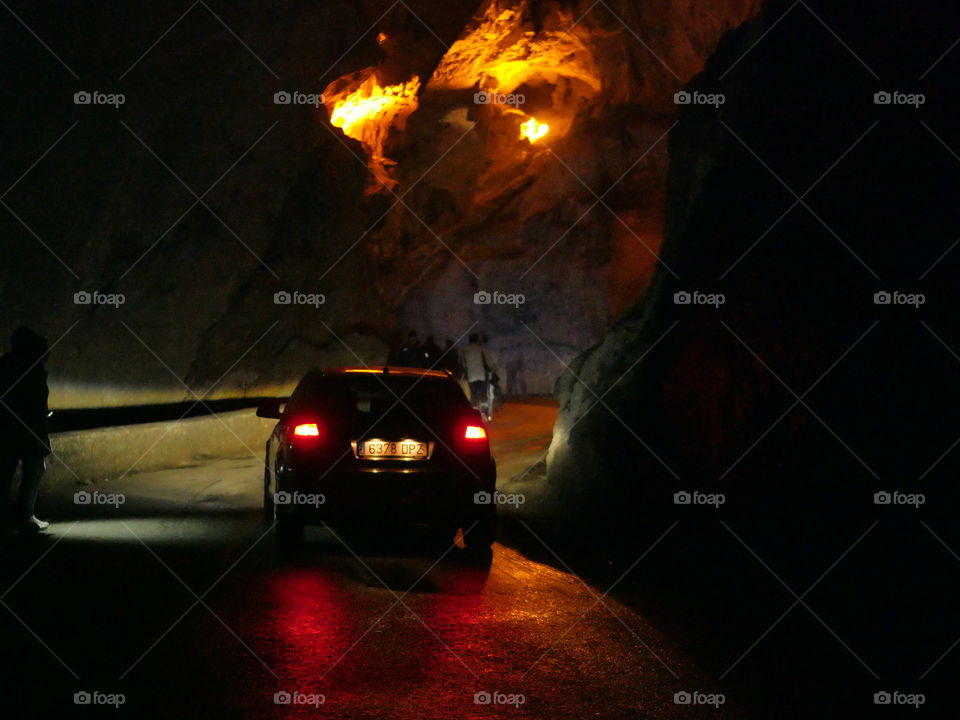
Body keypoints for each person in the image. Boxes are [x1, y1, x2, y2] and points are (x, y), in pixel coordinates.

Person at [0, 327, 52, 532]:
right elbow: (36, 404)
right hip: (28, 430)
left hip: (7, 428)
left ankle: (6, 519)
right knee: (34, 469)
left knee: (5, 473)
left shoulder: (5, 366)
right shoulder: (34, 371)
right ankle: (26, 516)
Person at [460, 333, 496, 419]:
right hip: (482, 375)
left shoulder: (465, 350)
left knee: (473, 394)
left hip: (471, 375)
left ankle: (473, 413)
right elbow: (489, 361)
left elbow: (462, 363)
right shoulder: (481, 348)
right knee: (483, 393)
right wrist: (493, 368)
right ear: (477, 340)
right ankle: (485, 413)